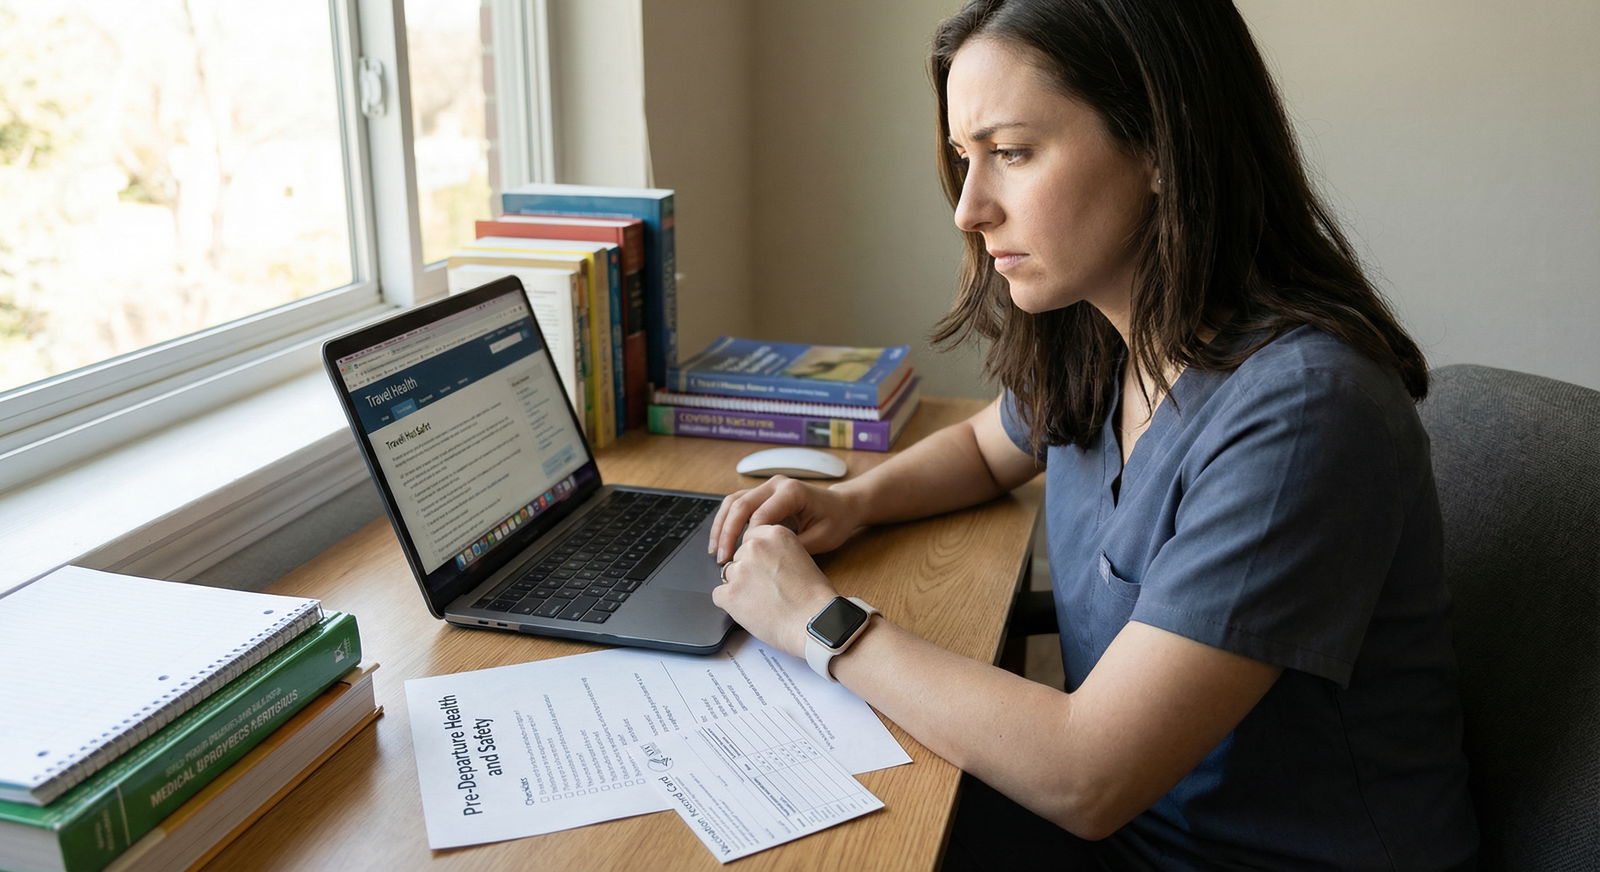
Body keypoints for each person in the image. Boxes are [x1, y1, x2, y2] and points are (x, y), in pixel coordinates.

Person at [707, 0, 1478, 868]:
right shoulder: (1106, 330)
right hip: (1131, 835)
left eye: (1012, 153)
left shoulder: (1304, 412)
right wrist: (852, 502)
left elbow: (1087, 775)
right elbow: (985, 448)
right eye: (966, 159)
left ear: (1160, 146)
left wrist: (818, 620)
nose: (969, 208)